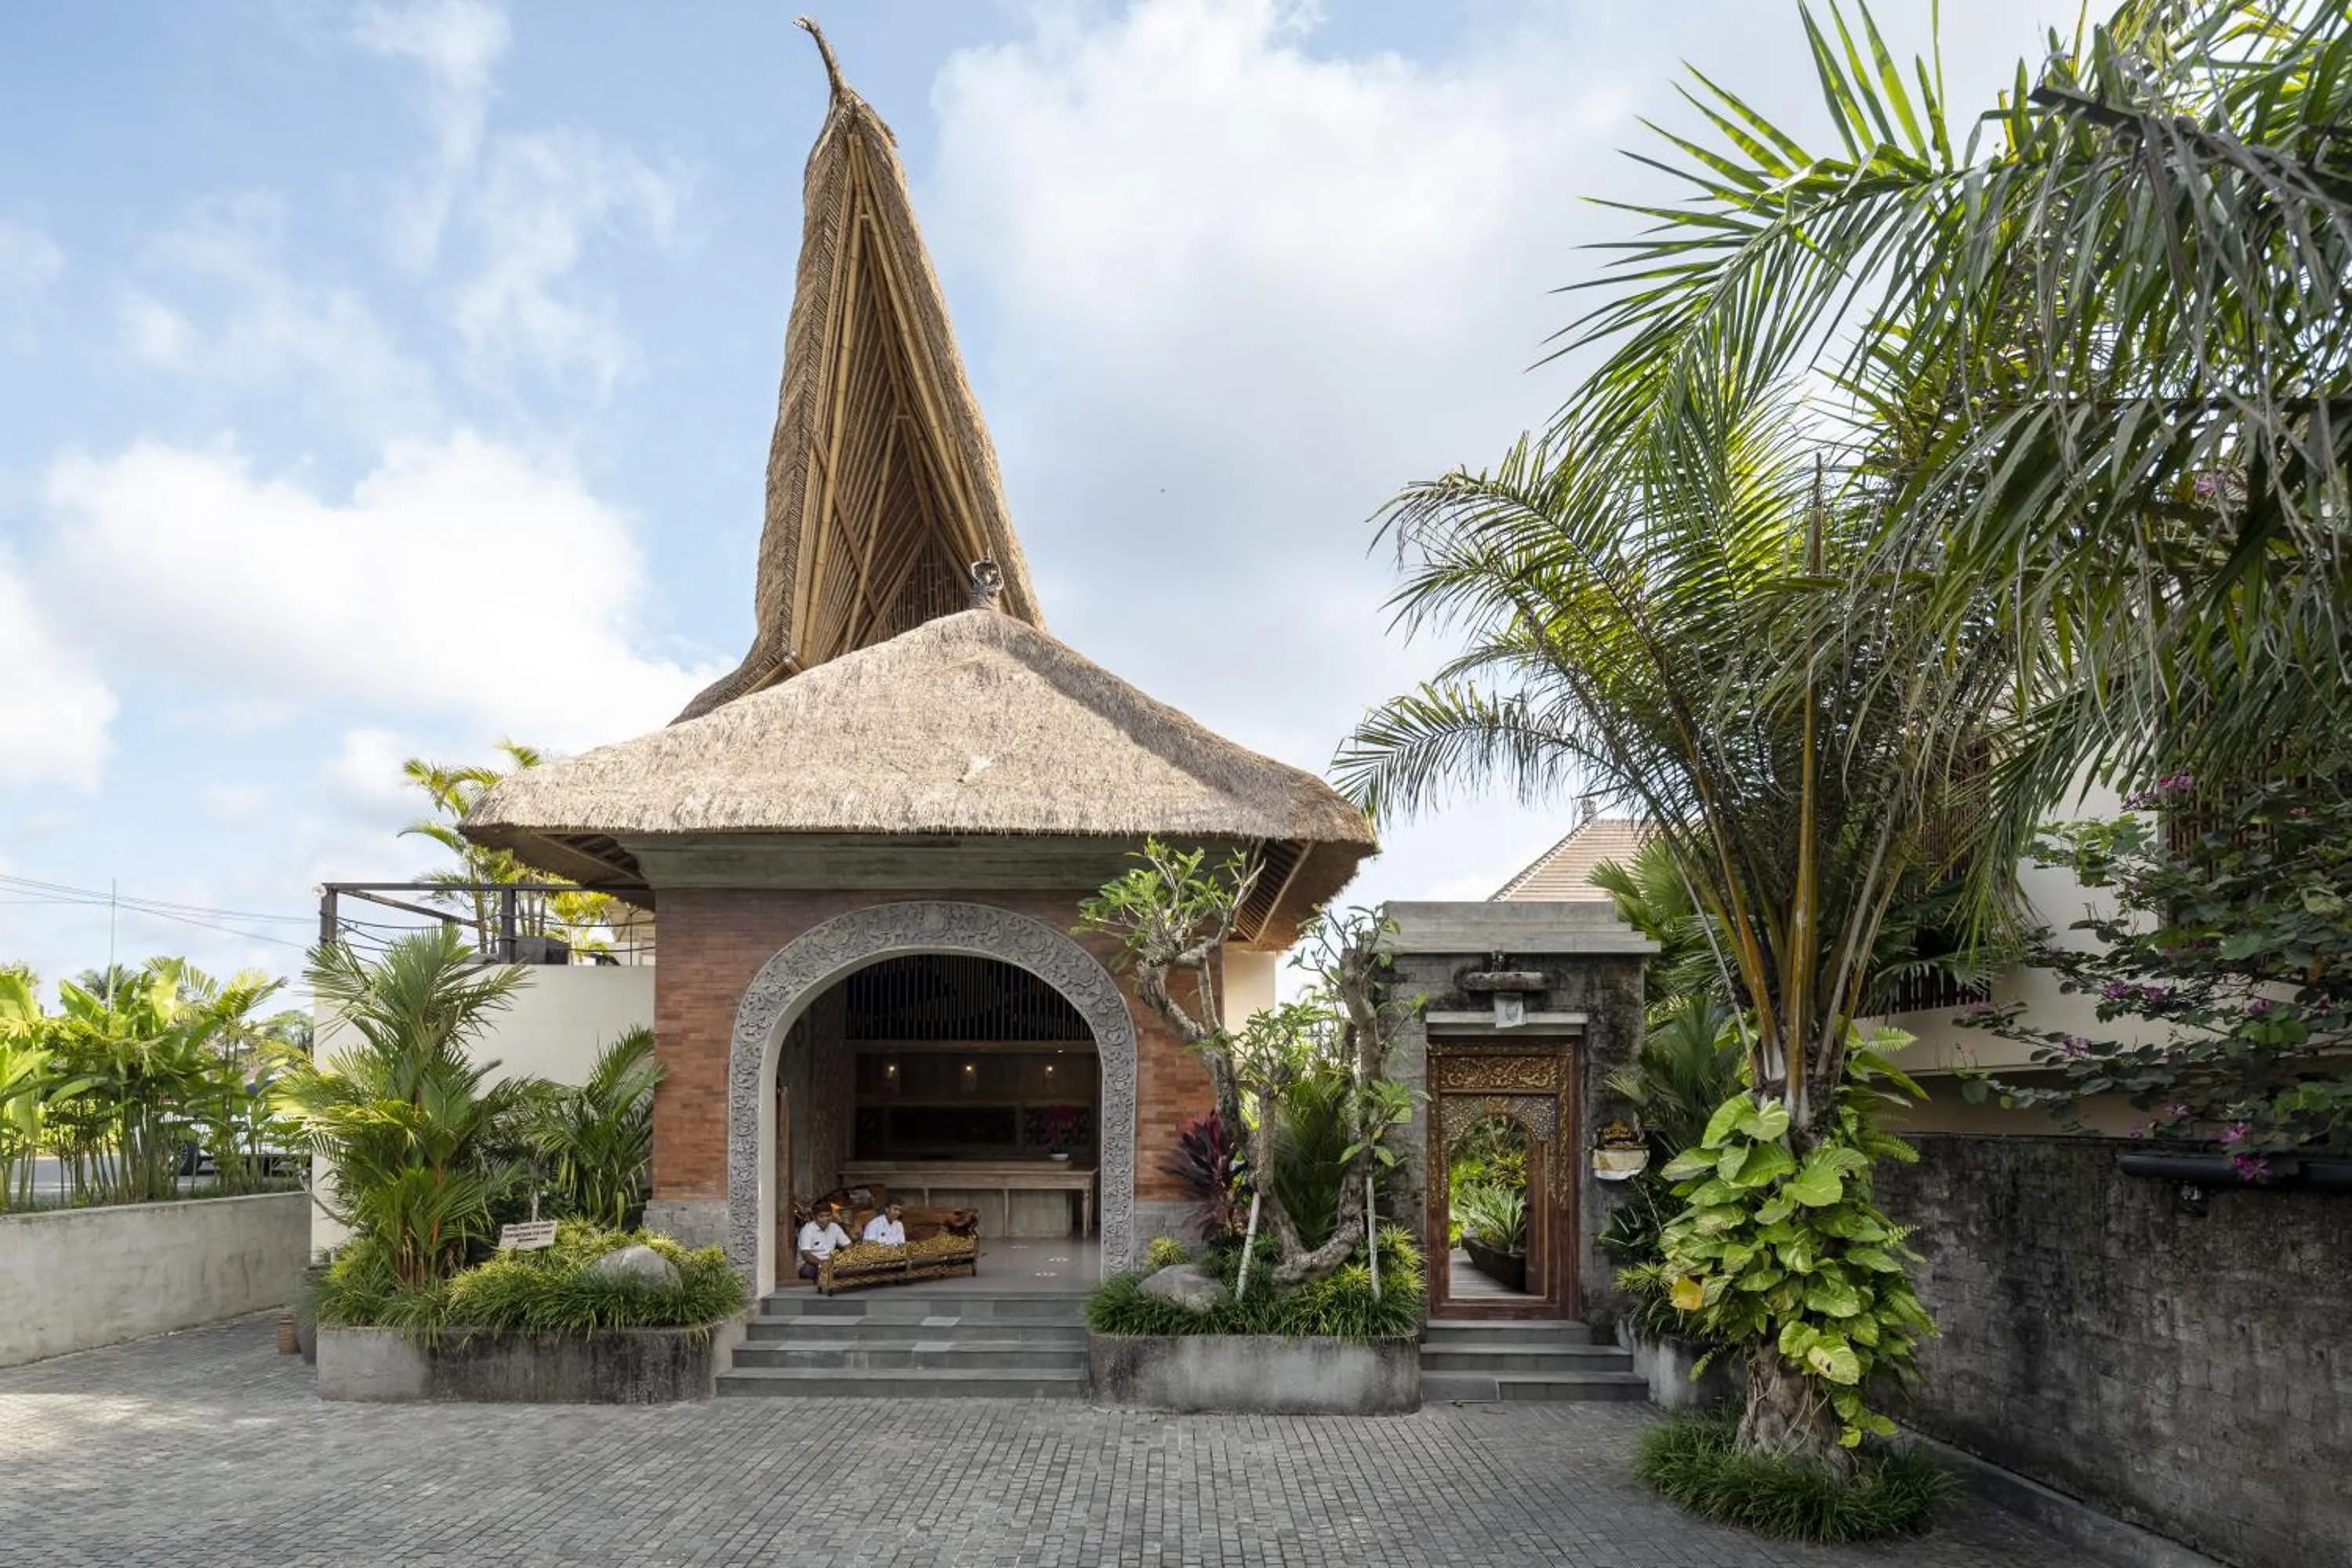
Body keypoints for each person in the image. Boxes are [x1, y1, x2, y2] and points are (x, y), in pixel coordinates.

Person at [796, 1200, 853, 1282]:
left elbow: (848, 1246)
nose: (825, 1219)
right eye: (821, 1216)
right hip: (812, 1264)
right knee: (810, 1271)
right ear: (814, 1217)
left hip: (831, 1263)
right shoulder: (807, 1230)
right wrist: (823, 1264)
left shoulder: (835, 1227)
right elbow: (807, 1255)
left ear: (832, 1215)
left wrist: (843, 1259)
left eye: (828, 1215)